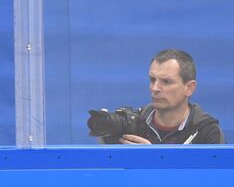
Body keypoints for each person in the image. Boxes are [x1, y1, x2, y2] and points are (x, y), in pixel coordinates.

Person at [88, 49, 224, 145]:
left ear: (189, 88)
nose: (155, 88)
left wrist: (152, 160)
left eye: (166, 82)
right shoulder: (133, 125)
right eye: (152, 80)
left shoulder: (207, 132)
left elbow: (216, 183)